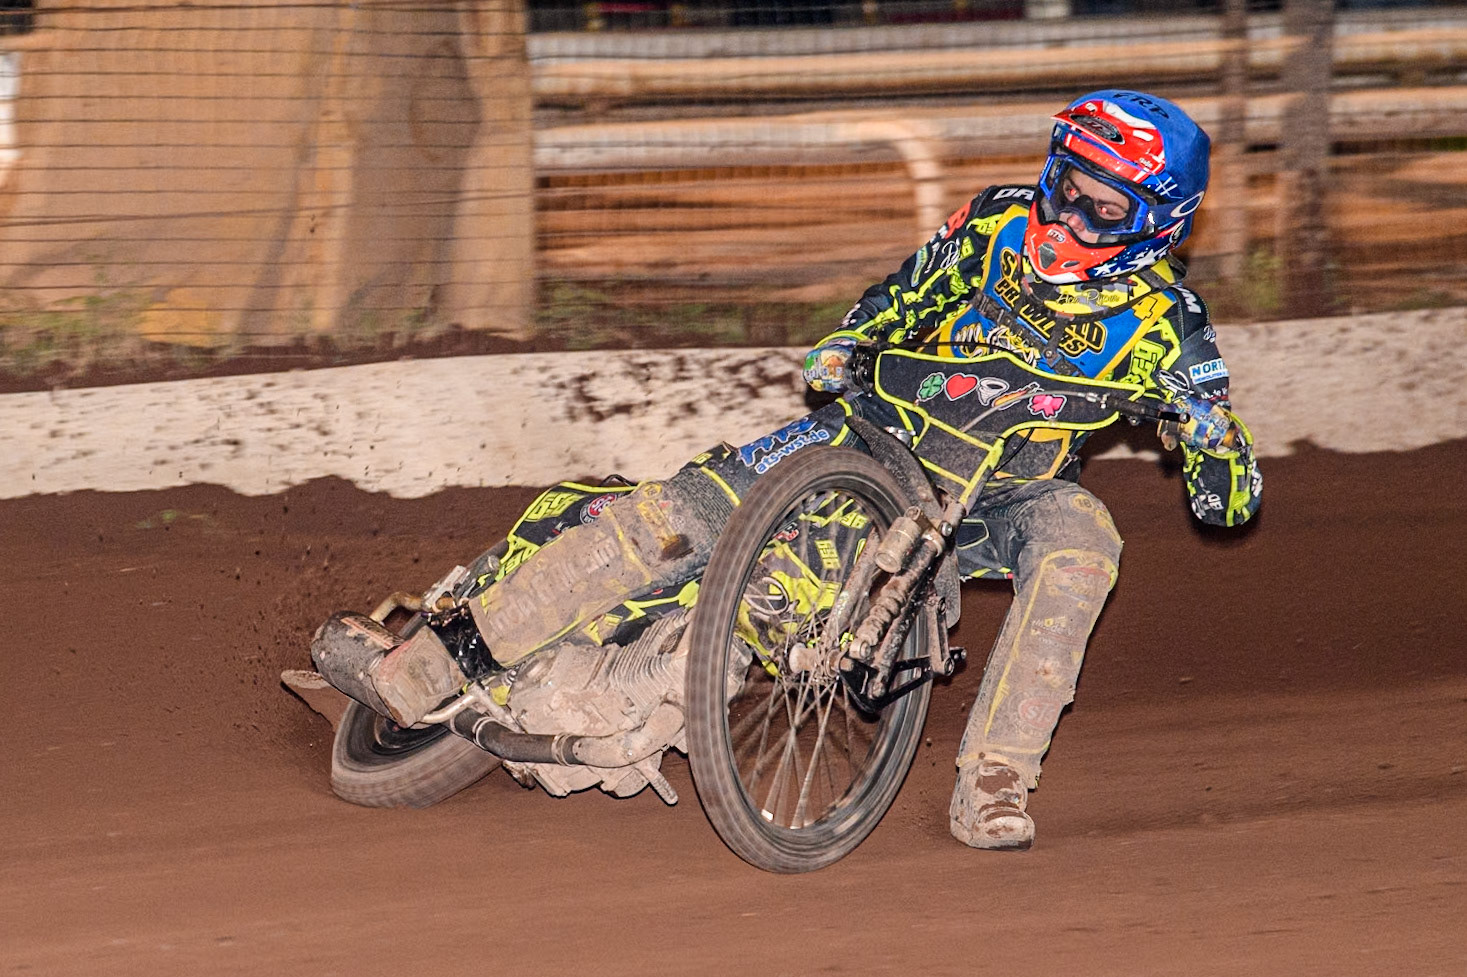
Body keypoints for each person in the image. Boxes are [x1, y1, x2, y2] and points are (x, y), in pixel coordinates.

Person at [362, 89, 1261, 852]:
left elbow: (1229, 504)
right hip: (871, 437)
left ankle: (996, 777)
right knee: (673, 517)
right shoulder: (993, 221)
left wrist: (1209, 435)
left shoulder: (1168, 326)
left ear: (1158, 224)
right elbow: (901, 293)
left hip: (1001, 496)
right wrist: (848, 339)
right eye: (1066, 187)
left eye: (1102, 209)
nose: (1067, 217)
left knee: (1084, 538)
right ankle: (442, 658)